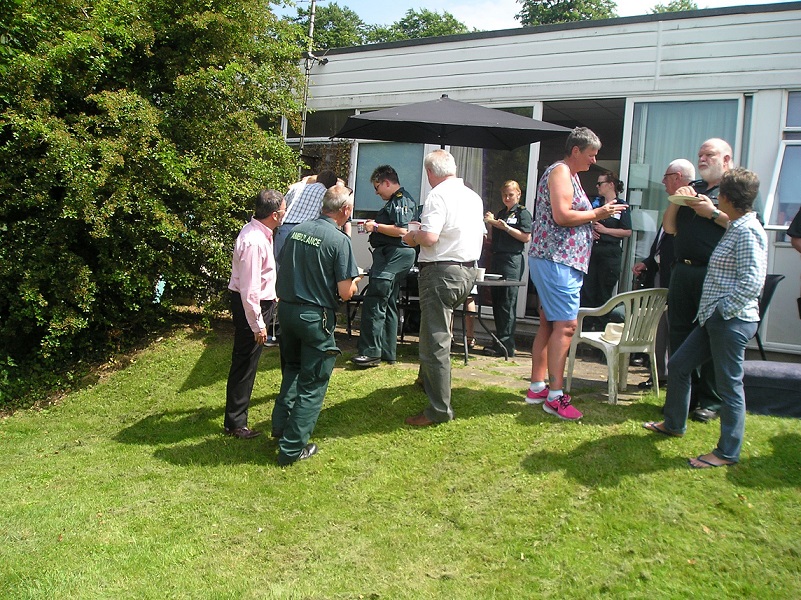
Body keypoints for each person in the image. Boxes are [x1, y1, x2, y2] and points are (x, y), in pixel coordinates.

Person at [644, 167, 767, 468]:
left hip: (730, 321)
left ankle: (727, 452)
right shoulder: (736, 225)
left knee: (729, 386)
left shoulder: (748, 230)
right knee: (680, 364)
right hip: (714, 318)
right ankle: (674, 423)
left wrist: (724, 311)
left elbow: (753, 282)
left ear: (726, 197)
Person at [525, 127, 627, 420]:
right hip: (557, 260)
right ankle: (555, 396)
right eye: (591, 155)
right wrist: (598, 215)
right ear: (575, 151)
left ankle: (537, 387)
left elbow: (569, 218)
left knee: (549, 323)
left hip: (560, 259)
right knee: (566, 326)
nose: (594, 161)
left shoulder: (570, 175)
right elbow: (562, 215)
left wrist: (587, 227)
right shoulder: (560, 172)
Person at [271, 184, 363, 465]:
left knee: (293, 371)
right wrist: (357, 281)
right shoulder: (339, 240)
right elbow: (345, 292)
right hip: (314, 318)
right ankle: (292, 449)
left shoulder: (297, 230)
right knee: (313, 383)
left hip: (286, 311)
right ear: (345, 210)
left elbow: (283, 262)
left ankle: (279, 428)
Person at [401, 149, 485, 426]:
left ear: (429, 173)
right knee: (436, 331)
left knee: (435, 340)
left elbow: (430, 237)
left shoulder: (437, 195)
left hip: (441, 271)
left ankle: (439, 410)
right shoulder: (473, 196)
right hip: (468, 270)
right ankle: (426, 381)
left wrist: (411, 236)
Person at [663, 138, 732, 423]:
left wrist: (712, 212)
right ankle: (683, 399)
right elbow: (669, 228)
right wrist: (678, 201)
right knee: (678, 333)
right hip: (683, 271)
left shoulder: (735, 189)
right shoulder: (696, 188)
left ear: (726, 160)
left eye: (709, 154)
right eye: (700, 154)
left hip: (714, 274)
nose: (702, 159)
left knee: (713, 335)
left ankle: (711, 402)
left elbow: (748, 225)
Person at [223, 190, 285, 439]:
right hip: (251, 306)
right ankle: (236, 424)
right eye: (283, 210)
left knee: (247, 362)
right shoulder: (254, 240)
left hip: (258, 303)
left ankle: (235, 420)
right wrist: (258, 325)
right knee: (245, 364)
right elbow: (249, 291)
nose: (285, 214)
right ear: (274, 214)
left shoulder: (261, 233)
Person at [631, 158, 694, 389]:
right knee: (659, 328)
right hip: (660, 276)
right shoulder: (672, 204)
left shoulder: (690, 205)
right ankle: (659, 375)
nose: (662, 182)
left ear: (678, 177)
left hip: (676, 279)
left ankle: (670, 378)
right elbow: (663, 242)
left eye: (666, 177)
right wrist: (648, 262)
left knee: (672, 329)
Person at [351, 165, 418, 368]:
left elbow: (401, 230)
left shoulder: (400, 200)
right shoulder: (395, 201)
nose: (376, 191)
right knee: (388, 302)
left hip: (394, 255)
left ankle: (370, 353)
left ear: (387, 182)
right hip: (390, 255)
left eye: (377, 186)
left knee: (374, 300)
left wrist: (376, 227)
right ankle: (388, 352)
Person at [482, 180, 532, 357]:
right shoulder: (502, 213)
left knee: (507, 302)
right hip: (497, 257)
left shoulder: (522, 213)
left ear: (518, 194)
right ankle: (500, 343)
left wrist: (506, 227)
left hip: (512, 260)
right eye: (504, 195)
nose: (507, 198)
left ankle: (507, 346)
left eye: (510, 194)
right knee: (497, 301)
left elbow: (526, 237)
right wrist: (491, 223)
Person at [580, 171, 632, 327]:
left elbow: (627, 231)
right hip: (592, 253)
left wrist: (606, 231)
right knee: (588, 292)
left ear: (611, 185)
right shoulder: (596, 204)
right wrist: (591, 230)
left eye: (600, 183)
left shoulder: (621, 206)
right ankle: (586, 330)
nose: (597, 186)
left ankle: (601, 330)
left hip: (610, 255)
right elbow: (584, 221)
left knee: (604, 293)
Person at [273, 170, 338, 262]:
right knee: (299, 269)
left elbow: (282, 207)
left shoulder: (297, 188)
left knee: (279, 268)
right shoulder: (326, 194)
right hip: (305, 234)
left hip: (284, 229)